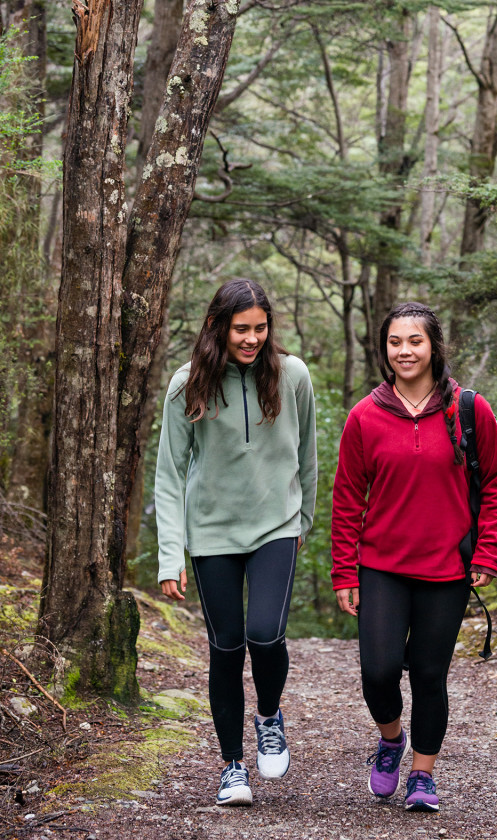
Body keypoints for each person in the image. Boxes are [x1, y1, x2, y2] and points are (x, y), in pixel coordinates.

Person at [331, 301, 497, 812]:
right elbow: (348, 497)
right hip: (382, 565)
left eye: (415, 341)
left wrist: (487, 551)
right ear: (384, 349)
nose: (405, 351)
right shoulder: (364, 416)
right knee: (379, 671)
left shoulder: (469, 409)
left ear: (433, 346)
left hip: (447, 569)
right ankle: (392, 741)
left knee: (430, 675)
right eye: (395, 342)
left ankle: (423, 775)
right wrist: (346, 568)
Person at [155, 278, 317, 807]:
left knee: (265, 634)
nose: (251, 339)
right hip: (212, 533)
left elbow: (308, 453)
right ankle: (231, 766)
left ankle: (268, 716)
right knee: (226, 646)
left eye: (260, 328)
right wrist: (170, 554)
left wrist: (304, 521)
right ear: (216, 327)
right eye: (240, 329)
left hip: (277, 525)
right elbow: (170, 474)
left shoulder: (292, 375)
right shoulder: (187, 384)